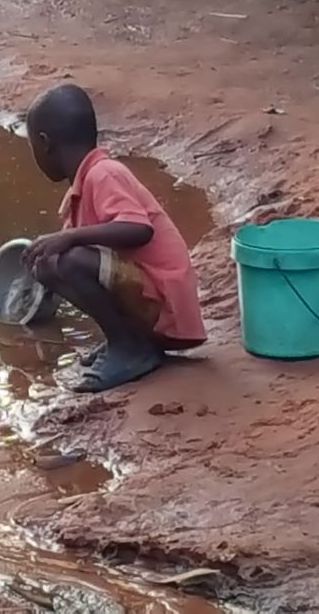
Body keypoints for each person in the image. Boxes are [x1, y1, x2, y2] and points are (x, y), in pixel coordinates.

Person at [20, 84, 206, 393]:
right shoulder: (82, 186)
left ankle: (130, 348)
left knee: (70, 258)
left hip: (166, 304)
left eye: (33, 148)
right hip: (148, 301)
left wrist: (69, 239)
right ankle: (126, 340)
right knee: (50, 261)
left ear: (45, 143)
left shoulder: (103, 173)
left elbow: (138, 228)